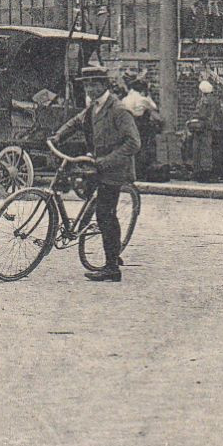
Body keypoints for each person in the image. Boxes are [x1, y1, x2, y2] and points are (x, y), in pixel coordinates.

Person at [52, 66, 140, 283]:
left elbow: (133, 142)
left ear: (105, 85)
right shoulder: (94, 107)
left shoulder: (119, 109)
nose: (90, 88)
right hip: (97, 164)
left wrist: (107, 161)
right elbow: (76, 122)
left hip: (115, 170)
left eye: (94, 84)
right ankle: (93, 236)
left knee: (105, 215)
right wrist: (58, 137)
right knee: (92, 199)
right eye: (86, 84)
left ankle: (112, 268)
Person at [120, 76, 162, 181]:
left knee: (131, 149)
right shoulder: (143, 99)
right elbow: (154, 107)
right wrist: (148, 97)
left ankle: (131, 172)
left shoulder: (125, 99)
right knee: (142, 148)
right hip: (140, 125)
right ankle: (141, 172)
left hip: (127, 125)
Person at [188, 80, 223, 182]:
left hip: (206, 130)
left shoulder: (205, 101)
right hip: (217, 129)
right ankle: (215, 173)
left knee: (203, 151)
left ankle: (203, 173)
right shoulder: (215, 100)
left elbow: (202, 114)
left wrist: (194, 120)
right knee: (215, 152)